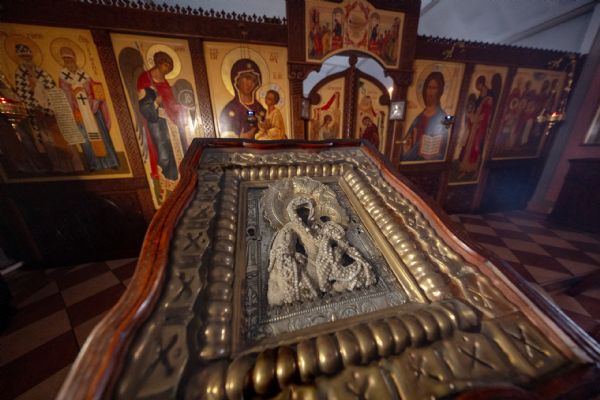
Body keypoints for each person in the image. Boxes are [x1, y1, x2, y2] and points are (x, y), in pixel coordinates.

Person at [14, 43, 83, 173]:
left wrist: (49, 100)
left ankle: (74, 166)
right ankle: (58, 167)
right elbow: (23, 94)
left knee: (63, 138)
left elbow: (52, 88)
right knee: (48, 141)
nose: (27, 58)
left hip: (52, 111)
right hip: (37, 113)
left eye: (28, 55)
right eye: (23, 56)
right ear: (19, 57)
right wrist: (35, 100)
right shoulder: (20, 74)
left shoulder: (41, 72)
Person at [58, 46, 119, 170]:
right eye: (65, 59)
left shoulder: (84, 75)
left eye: (70, 58)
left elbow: (95, 88)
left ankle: (111, 162)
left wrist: (94, 101)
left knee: (102, 136)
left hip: (93, 110)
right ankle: (93, 164)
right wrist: (75, 96)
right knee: (86, 139)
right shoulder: (63, 77)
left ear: (74, 59)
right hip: (78, 113)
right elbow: (65, 94)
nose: (68, 62)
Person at [137, 51, 185, 196]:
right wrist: (155, 103)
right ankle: (163, 184)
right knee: (163, 153)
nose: (168, 69)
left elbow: (170, 101)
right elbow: (145, 108)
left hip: (170, 121)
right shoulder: (145, 80)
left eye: (170, 67)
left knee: (175, 151)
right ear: (158, 63)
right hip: (156, 122)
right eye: (166, 65)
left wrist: (177, 108)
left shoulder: (164, 83)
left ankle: (175, 182)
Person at [402, 71, 448, 161]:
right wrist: (406, 144)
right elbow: (408, 137)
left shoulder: (445, 116)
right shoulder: (419, 116)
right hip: (411, 159)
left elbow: (446, 141)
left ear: (439, 91)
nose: (430, 91)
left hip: (428, 161)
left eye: (434, 88)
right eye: (428, 87)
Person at [219, 58, 266, 139]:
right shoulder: (230, 110)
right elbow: (226, 140)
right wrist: (240, 139)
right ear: (236, 80)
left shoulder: (260, 109)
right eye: (247, 78)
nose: (250, 83)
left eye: (253, 80)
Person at [458, 77, 493, 178]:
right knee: (468, 149)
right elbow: (474, 110)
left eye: (478, 85)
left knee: (476, 150)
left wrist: (474, 118)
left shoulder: (488, 100)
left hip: (480, 130)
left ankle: (473, 170)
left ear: (482, 84)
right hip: (473, 129)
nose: (478, 88)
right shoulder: (480, 98)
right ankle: (465, 169)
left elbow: (484, 116)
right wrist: (470, 117)